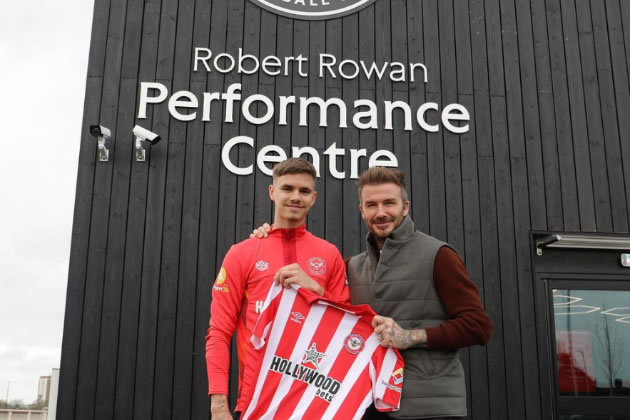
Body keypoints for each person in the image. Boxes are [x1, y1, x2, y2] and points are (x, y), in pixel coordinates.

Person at [253, 166, 492, 419]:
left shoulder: (439, 256)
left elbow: (478, 326)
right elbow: (331, 312)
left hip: (428, 408)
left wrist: (409, 337)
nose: (380, 213)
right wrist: (271, 236)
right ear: (362, 211)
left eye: (389, 203)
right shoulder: (352, 266)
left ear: (405, 207)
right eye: (371, 205)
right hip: (368, 405)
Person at [205, 158, 350, 420]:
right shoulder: (242, 253)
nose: (296, 197)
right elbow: (219, 333)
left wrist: (316, 290)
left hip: (316, 404)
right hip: (256, 403)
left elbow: (345, 331)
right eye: (288, 188)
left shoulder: (329, 255)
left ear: (314, 198)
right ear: (272, 192)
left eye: (304, 191)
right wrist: (218, 407)